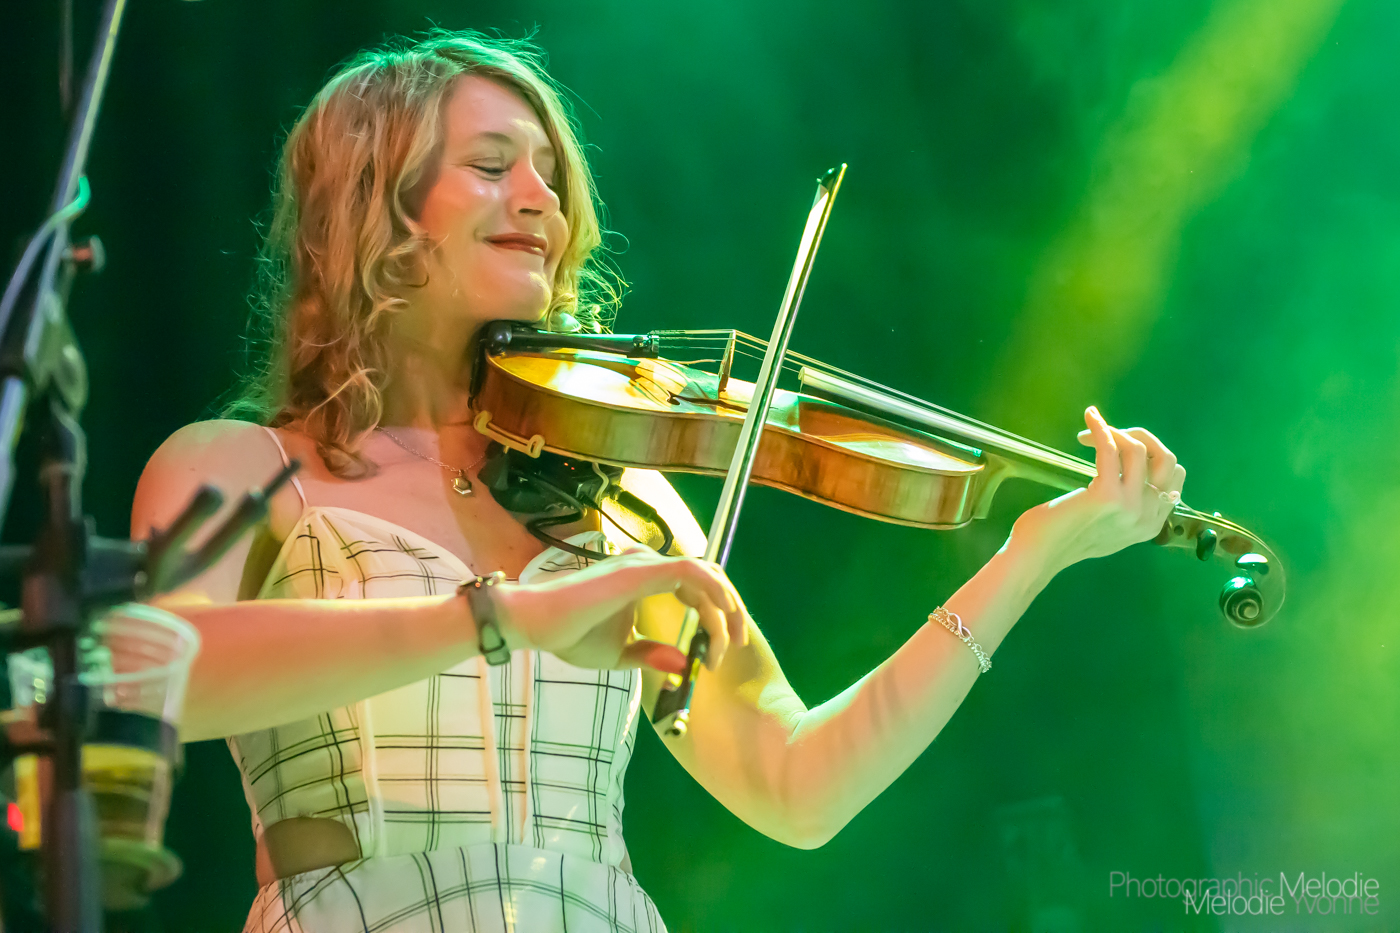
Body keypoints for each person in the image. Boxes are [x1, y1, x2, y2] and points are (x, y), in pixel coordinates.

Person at [130, 30, 1186, 933]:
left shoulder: (617, 500)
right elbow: (144, 679)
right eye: (492, 165)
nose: (541, 199)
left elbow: (797, 784)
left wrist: (1027, 558)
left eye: (550, 175)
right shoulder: (238, 470)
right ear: (375, 207)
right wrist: (500, 617)